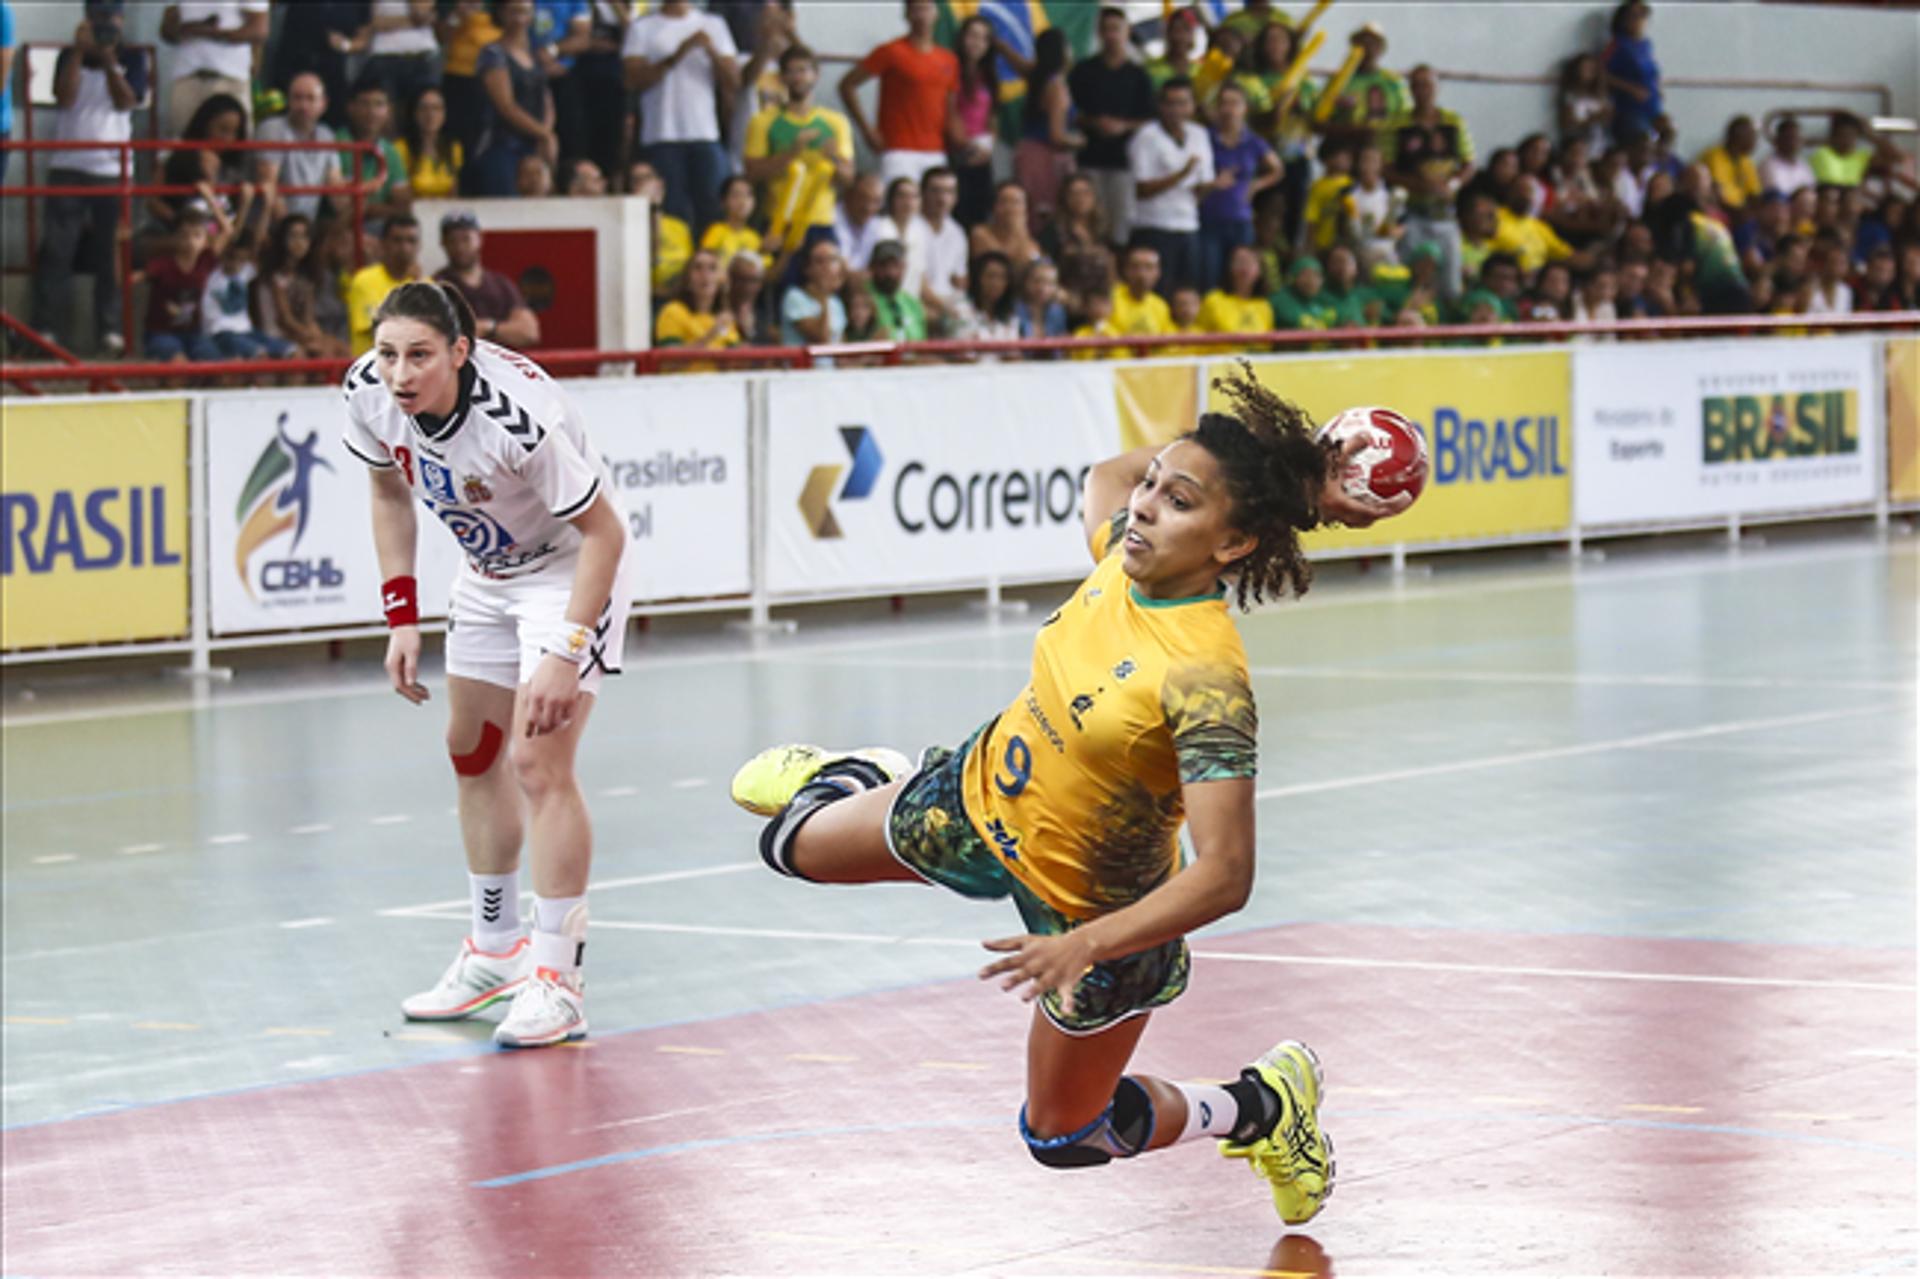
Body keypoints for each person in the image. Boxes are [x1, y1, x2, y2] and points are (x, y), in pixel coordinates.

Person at [727, 366, 1409, 1230]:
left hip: (1097, 917)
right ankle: (866, 770)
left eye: (1180, 500)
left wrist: (1085, 943)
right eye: (1157, 482)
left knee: (1065, 1135)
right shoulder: (1123, 551)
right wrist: (1300, 473)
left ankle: (1263, 1105)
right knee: (785, 841)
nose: (1149, 505)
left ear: (1231, 544)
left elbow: (1227, 873)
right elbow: (1107, 479)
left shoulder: (1205, 678)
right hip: (975, 800)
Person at [345, 281, 632, 1049]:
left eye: (419, 356)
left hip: (568, 572)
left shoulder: (518, 419)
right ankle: (493, 951)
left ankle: (558, 981)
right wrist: (400, 614)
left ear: (460, 353)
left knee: (540, 764)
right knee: (472, 752)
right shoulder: (368, 393)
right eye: (387, 354)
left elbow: (606, 534)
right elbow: (386, 490)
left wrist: (568, 649)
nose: (399, 374)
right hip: (487, 573)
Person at [32, 2, 149, 357]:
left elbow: (128, 102)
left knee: (109, 254)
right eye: (97, 18)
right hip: (68, 163)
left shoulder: (133, 56)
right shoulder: (70, 55)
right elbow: (64, 98)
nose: (104, 26)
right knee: (57, 249)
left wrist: (111, 61)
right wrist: (81, 53)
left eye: (109, 19)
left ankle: (110, 331)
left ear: (121, 20)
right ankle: (46, 329)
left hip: (112, 169)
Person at [623, 0, 739, 229]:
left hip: (705, 133)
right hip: (661, 134)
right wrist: (679, 53)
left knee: (712, 208)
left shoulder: (713, 24)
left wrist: (712, 51)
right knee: (670, 212)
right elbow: (632, 79)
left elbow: (734, 81)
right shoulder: (643, 27)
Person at [743, 44, 853, 273]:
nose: (797, 77)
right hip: (779, 220)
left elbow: (848, 178)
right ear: (782, 77)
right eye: (791, 71)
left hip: (821, 220)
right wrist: (791, 153)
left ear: (816, 74)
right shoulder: (763, 121)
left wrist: (834, 158)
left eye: (803, 70)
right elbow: (752, 173)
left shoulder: (835, 122)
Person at [838, 0, 958, 190]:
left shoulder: (948, 59)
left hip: (936, 150)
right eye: (916, 9)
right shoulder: (891, 51)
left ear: (936, 14)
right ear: (907, 15)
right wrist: (867, 130)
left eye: (926, 9)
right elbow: (847, 85)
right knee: (899, 209)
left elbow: (951, 106)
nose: (922, 15)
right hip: (898, 148)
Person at [1384, 64, 1474, 300]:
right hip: (1410, 211)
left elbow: (1468, 163)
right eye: (1417, 85)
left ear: (1437, 88)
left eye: (1428, 84)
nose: (1422, 90)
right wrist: (1416, 184)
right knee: (1409, 277)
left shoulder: (1453, 122)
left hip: (1445, 213)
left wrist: (1451, 186)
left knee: (1450, 284)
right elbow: (1386, 168)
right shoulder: (1397, 125)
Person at [1069, 6, 1155, 246]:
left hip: (1124, 162)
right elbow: (1069, 114)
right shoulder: (1083, 71)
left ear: (1126, 32)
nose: (1111, 35)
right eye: (1106, 29)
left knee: (1119, 228)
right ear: (1098, 33)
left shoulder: (1138, 75)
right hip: (1088, 159)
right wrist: (1095, 122)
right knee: (1088, 223)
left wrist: (1123, 126)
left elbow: (1150, 119)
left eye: (1116, 29)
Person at [1129, 79, 1220, 297]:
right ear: (1161, 106)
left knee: (1186, 292)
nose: (1177, 110)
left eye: (1183, 103)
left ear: (1192, 105)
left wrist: (1210, 186)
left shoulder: (1200, 134)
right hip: (1154, 225)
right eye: (1171, 103)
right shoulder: (1146, 136)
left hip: (1188, 225)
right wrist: (1181, 175)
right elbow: (1141, 189)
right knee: (1157, 294)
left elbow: (1202, 182)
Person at [1198, 82, 1280, 297]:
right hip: (1208, 218)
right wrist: (1213, 183)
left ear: (1244, 108)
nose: (1228, 109)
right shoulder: (1205, 137)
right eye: (1223, 103)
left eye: (1234, 103)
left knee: (1242, 278)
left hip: (1241, 219)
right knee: (1210, 277)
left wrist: (1256, 185)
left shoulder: (1253, 141)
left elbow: (1277, 169)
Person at [470, 0, 558, 198]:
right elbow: (505, 105)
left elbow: (546, 98)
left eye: (525, 12)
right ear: (501, 13)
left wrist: (546, 133)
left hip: (533, 145)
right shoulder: (493, 53)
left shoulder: (535, 54)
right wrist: (544, 134)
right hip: (501, 145)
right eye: (514, 12)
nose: (520, 19)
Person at [434, 210, 541, 349]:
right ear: (443, 243)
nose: (460, 247)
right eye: (453, 240)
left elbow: (530, 332)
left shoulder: (501, 284)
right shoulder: (437, 286)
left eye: (466, 238)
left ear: (480, 238)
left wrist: (489, 328)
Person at [139, 202, 231, 363]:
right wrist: (118, 247)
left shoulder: (206, 260)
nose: (190, 241)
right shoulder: (162, 264)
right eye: (184, 235)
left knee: (217, 367)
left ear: (205, 240)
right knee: (179, 366)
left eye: (197, 235)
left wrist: (209, 198)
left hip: (194, 334)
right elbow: (125, 281)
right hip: (161, 333)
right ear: (175, 237)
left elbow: (227, 230)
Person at [159, 0, 268, 135]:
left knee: (233, 146)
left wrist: (208, 32)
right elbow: (166, 31)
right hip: (188, 76)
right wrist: (191, 26)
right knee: (183, 145)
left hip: (230, 77)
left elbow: (258, 30)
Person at [1012, 28, 1081, 234]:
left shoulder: (1037, 76)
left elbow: (1017, 63)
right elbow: (1056, 136)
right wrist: (1080, 141)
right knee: (1045, 219)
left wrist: (998, 43)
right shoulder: (1056, 86)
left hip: (1027, 155)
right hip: (1045, 159)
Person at [256, 213, 351, 360]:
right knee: (320, 352)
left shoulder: (305, 277)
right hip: (274, 334)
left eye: (304, 237)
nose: (299, 242)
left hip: (297, 334)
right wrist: (311, 337)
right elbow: (285, 320)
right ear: (282, 240)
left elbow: (308, 317)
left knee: (341, 348)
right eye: (293, 236)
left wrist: (318, 335)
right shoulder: (274, 276)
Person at [257, 73, 341, 223]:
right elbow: (270, 186)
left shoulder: (326, 135)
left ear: (324, 104)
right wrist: (294, 235)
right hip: (267, 229)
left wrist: (359, 201)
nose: (303, 105)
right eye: (297, 97)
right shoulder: (272, 128)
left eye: (310, 98)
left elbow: (336, 186)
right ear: (288, 100)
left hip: (303, 232)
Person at [202, 232, 295, 360]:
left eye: (240, 260)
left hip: (247, 332)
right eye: (231, 257)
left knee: (292, 351)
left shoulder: (245, 272)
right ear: (223, 256)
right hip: (220, 333)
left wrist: (266, 211)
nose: (235, 263)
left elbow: (256, 242)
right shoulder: (210, 273)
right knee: (260, 355)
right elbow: (227, 233)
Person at [340, 80, 415, 232]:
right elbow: (346, 207)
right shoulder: (336, 144)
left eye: (379, 104)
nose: (371, 111)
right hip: (340, 227)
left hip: (379, 228)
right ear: (351, 107)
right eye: (364, 104)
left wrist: (371, 209)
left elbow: (403, 207)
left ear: (388, 110)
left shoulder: (391, 152)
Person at [347, 214, 426, 353]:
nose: (404, 248)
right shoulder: (364, 280)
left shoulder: (425, 284)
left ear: (419, 246)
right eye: (397, 240)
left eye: (411, 241)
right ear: (383, 243)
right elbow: (379, 330)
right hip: (372, 368)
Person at [948, 15, 998, 229]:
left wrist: (988, 146)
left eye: (984, 38)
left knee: (979, 217)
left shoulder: (989, 75)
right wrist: (964, 146)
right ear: (962, 38)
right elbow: (948, 110)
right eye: (973, 36)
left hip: (982, 155)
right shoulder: (950, 69)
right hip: (956, 153)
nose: (977, 43)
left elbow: (993, 116)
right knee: (957, 213)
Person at [358, 0, 441, 119]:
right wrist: (412, 22)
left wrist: (394, 21)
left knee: (421, 114)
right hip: (384, 57)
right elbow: (376, 22)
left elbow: (421, 15)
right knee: (385, 115)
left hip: (421, 57)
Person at [655, 247, 739, 356]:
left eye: (712, 268)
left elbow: (737, 364)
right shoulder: (673, 312)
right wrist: (711, 335)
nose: (705, 274)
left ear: (721, 280)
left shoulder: (724, 319)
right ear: (687, 279)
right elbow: (669, 361)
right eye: (698, 268)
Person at [916, 166, 970, 332]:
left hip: (947, 302)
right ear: (923, 194)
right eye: (935, 191)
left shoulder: (957, 232)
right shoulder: (913, 228)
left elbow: (960, 280)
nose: (942, 198)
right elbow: (919, 284)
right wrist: (948, 309)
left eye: (949, 192)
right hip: (919, 301)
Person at [1603, 0, 1661, 145]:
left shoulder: (1646, 45)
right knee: (1639, 142)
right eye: (1635, 16)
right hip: (1630, 108)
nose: (1640, 20)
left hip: (1651, 105)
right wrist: (1631, 89)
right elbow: (1602, 74)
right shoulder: (1618, 45)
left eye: (1643, 16)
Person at [781, 237, 848, 351]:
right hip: (803, 368)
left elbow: (840, 346)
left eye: (832, 260)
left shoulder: (836, 302)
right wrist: (824, 298)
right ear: (807, 268)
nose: (826, 266)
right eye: (820, 261)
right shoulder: (795, 297)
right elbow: (821, 340)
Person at [398, 86, 464, 201]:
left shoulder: (454, 148)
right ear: (414, 113)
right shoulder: (400, 149)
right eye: (424, 108)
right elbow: (402, 199)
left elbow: (454, 194)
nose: (430, 115)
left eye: (437, 108)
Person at [1200, 243, 1275, 338]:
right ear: (1229, 267)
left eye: (1250, 262)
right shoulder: (1213, 300)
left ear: (1259, 271)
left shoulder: (1264, 306)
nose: (1244, 267)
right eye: (1239, 261)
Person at [864, 239, 928, 342]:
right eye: (883, 265)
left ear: (904, 267)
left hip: (914, 356)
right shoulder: (863, 299)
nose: (890, 273)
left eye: (895, 265)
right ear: (872, 267)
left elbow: (922, 346)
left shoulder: (912, 303)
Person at [969, 182, 1042, 268]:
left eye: (1016, 202)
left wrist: (1022, 235)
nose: (1009, 208)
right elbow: (999, 269)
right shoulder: (980, 234)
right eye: (1004, 202)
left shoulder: (1032, 245)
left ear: (1026, 210)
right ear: (994, 207)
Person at [1699, 116, 1760, 218]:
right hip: (1721, 212)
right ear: (1737, 136)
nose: (1755, 141)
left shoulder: (1746, 162)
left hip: (1741, 213)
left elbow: (1754, 195)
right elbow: (1717, 197)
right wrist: (1740, 214)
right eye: (1752, 135)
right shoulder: (1714, 156)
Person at [952, 250, 1019, 343]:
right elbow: (963, 353)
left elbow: (1013, 353)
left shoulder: (1010, 316)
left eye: (1002, 277)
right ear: (977, 278)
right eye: (990, 276)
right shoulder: (960, 310)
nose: (996, 283)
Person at [1111, 243, 1174, 336]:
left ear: (1158, 272)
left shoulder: (1161, 306)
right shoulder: (1110, 299)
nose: (1142, 274)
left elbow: (1166, 345)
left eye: (1149, 267)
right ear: (1125, 270)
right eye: (1135, 267)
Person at [1557, 53, 1611, 157]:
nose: (1588, 72)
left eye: (1592, 68)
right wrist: (1591, 119)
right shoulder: (1570, 95)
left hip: (1599, 143)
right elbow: (1567, 124)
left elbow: (1606, 121)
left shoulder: (1600, 95)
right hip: (1578, 146)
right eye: (1584, 68)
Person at [705, 175, 767, 265]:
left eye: (748, 195)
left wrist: (787, 251)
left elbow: (768, 275)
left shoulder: (754, 238)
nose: (743, 201)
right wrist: (759, 252)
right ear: (723, 202)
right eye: (736, 195)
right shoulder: (715, 231)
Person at [832, 173, 887, 273]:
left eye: (876, 201)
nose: (869, 207)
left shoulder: (876, 223)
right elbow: (842, 267)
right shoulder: (831, 218)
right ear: (848, 195)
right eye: (864, 198)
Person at [1809, 113, 1873, 190]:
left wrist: (1869, 135)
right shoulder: (1822, 154)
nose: (1847, 140)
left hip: (1854, 198)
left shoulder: (1862, 156)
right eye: (1842, 135)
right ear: (1834, 136)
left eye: (1851, 135)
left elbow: (1890, 154)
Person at [1014, 258, 1068, 342]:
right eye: (1037, 281)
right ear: (1026, 282)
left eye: (1049, 283)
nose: (1042, 288)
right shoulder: (1014, 310)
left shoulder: (1057, 311)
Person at [1759, 117, 1814, 199]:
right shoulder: (1768, 165)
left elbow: (1812, 190)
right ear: (1777, 141)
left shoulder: (1803, 166)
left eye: (1796, 138)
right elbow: (1775, 196)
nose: (1793, 142)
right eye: (1789, 138)